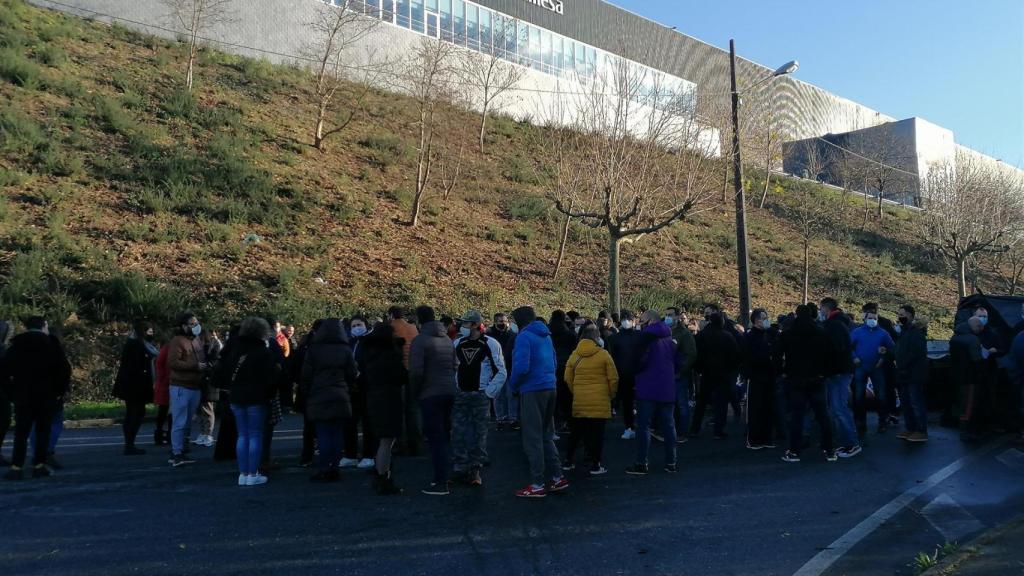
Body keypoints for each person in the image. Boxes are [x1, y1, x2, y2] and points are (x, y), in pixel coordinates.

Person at [509, 306, 568, 498]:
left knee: (532, 437)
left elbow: (521, 366)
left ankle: (537, 483)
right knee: (547, 434)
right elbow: (554, 361)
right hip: (550, 386)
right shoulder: (545, 334)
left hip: (532, 389)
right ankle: (558, 477)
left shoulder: (524, 337)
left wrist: (514, 386)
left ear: (519, 321)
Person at [2, 317, 71, 480]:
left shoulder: (16, 345)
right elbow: (64, 370)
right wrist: (59, 391)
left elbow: (4, 373)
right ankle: (39, 465)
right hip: (46, 395)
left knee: (21, 433)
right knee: (42, 431)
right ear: (44, 326)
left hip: (23, 396)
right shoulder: (51, 345)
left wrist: (11, 393)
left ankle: (16, 466)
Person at [218, 317, 278, 486]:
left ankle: (243, 473)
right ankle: (253, 473)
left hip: (236, 396)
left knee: (242, 434)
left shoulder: (234, 349)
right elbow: (271, 378)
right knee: (256, 435)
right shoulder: (263, 352)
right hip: (256, 397)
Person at [452, 310, 507, 487]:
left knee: (479, 434)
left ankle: (475, 468)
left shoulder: (490, 344)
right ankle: (460, 467)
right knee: (458, 432)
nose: (463, 327)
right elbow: (453, 368)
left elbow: (501, 371)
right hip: (461, 394)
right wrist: (456, 387)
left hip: (480, 395)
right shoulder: (457, 343)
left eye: (466, 324)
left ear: (476, 325)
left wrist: (488, 393)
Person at [301, 318, 357, 483]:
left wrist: (307, 393)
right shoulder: (345, 350)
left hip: (319, 394)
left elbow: (305, 376)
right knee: (337, 434)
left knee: (323, 434)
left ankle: (324, 467)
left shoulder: (314, 350)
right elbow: (352, 374)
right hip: (340, 394)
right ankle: (335, 467)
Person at [408, 305, 457, 496]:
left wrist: (415, 392)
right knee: (445, 435)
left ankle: (440, 481)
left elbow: (416, 372)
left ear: (419, 320)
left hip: (430, 393)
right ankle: (448, 472)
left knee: (435, 439)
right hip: (449, 390)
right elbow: (454, 365)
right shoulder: (446, 339)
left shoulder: (420, 341)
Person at [778, 305, 835, 463]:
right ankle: (829, 449)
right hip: (817, 379)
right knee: (823, 415)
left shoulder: (788, 334)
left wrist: (783, 370)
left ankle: (794, 451)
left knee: (797, 416)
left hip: (796, 379)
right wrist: (824, 373)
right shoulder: (821, 333)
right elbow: (830, 356)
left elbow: (777, 354)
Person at [627, 310, 679, 475]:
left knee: (643, 427)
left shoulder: (644, 340)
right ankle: (671, 462)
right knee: (669, 426)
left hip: (647, 388)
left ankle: (641, 463)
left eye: (641, 320)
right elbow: (678, 362)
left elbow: (638, 362)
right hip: (667, 388)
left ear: (649, 321)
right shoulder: (669, 339)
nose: (639, 323)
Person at [563, 325, 618, 475]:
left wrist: (577, 391)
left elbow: (567, 378)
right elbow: (613, 378)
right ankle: (596, 465)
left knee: (576, 433)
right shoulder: (603, 354)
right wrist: (611, 395)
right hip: (600, 400)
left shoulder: (575, 355)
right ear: (597, 337)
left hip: (580, 400)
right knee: (597, 435)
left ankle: (568, 460)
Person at [362, 323, 408, 495]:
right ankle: (383, 477)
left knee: (382, 439)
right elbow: (402, 376)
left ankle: (380, 472)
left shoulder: (370, 354)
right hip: (390, 399)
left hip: (374, 397)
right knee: (387, 441)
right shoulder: (391, 356)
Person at [167, 312, 210, 467]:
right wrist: (194, 366)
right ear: (183, 326)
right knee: (179, 421)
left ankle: (182, 449)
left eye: (196, 323)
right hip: (181, 386)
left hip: (195, 386)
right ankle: (176, 452)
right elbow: (173, 362)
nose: (196, 326)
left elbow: (202, 358)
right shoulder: (177, 341)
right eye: (192, 323)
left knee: (187, 422)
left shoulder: (196, 340)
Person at [819, 297, 860, 458]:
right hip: (840, 371)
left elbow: (834, 349)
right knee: (837, 408)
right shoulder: (841, 323)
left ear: (826, 309)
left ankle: (851, 442)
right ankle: (846, 441)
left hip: (838, 372)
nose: (820, 312)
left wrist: (827, 367)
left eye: (821, 309)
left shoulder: (833, 326)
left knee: (839, 408)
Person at [691, 312, 741, 440]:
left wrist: (699, 369)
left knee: (701, 403)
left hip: (706, 373)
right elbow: (735, 356)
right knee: (721, 403)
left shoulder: (701, 335)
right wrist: (731, 370)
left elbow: (695, 354)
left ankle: (695, 428)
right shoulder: (727, 336)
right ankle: (718, 430)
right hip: (723, 374)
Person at [112, 321, 158, 456]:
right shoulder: (137, 344)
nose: (151, 333)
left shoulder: (136, 343)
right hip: (135, 386)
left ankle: (129, 443)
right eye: (149, 330)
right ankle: (129, 444)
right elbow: (138, 365)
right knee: (135, 413)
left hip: (133, 386)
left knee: (135, 413)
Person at [850, 310, 896, 435]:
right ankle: (860, 422)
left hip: (877, 368)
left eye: (874, 318)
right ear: (865, 319)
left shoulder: (883, 333)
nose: (872, 320)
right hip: (860, 367)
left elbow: (892, 348)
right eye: (870, 318)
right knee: (859, 396)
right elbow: (848, 346)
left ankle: (882, 421)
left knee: (881, 395)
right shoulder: (857, 332)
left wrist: (884, 356)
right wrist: (854, 357)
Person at [343, 315, 376, 470]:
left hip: (367, 386)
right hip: (352, 387)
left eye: (359, 324)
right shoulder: (349, 342)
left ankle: (369, 454)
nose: (356, 327)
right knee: (350, 422)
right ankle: (350, 454)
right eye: (354, 325)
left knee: (368, 421)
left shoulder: (370, 342)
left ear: (366, 325)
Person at [894, 305, 929, 443]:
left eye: (902, 314)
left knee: (916, 401)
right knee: (906, 402)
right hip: (903, 373)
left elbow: (915, 353)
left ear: (909, 315)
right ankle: (910, 427)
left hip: (914, 373)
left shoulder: (916, 332)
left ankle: (921, 430)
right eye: (899, 314)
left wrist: (902, 363)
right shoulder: (904, 331)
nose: (899, 317)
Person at [389, 306, 420, 456]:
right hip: (413, 369)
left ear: (390, 315)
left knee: (398, 409)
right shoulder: (413, 328)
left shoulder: (391, 328)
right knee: (412, 409)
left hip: (398, 371)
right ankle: (415, 443)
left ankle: (400, 443)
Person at [744, 309, 777, 449]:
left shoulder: (769, 335)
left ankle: (767, 437)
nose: (766, 320)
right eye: (764, 318)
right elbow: (748, 356)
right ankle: (754, 438)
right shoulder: (750, 336)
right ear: (756, 320)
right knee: (755, 408)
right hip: (756, 376)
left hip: (769, 376)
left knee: (768, 407)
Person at [950, 317, 986, 441]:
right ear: (974, 326)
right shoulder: (973, 340)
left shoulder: (955, 337)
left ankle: (963, 428)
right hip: (971, 377)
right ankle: (967, 431)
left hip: (958, 375)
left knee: (962, 402)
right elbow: (978, 361)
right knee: (969, 404)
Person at [607, 311, 642, 439]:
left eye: (629, 319)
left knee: (632, 403)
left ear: (634, 321)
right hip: (627, 374)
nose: (626, 321)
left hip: (632, 374)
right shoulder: (615, 337)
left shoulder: (616, 337)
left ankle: (632, 427)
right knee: (628, 403)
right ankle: (630, 426)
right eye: (624, 319)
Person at [666, 307, 697, 441]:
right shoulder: (665, 332)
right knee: (669, 405)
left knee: (682, 404)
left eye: (671, 315)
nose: (668, 317)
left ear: (678, 317)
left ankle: (683, 432)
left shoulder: (684, 334)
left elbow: (691, 355)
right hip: (666, 375)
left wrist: (681, 371)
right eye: (666, 314)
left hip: (679, 375)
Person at [487, 312, 519, 431]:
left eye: (505, 321)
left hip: (510, 368)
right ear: (495, 322)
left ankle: (512, 419)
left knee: (511, 395)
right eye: (501, 321)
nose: (503, 324)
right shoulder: (490, 336)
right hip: (496, 369)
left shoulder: (512, 335)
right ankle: (500, 419)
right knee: (498, 396)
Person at [549, 310, 577, 433]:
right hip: (567, 366)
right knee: (567, 397)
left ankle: (555, 422)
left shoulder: (548, 333)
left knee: (554, 398)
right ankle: (569, 422)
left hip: (552, 366)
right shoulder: (570, 333)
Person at [153, 339, 172, 447]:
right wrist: (164, 378)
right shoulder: (168, 348)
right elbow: (160, 364)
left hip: (168, 383)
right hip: (166, 384)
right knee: (164, 410)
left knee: (167, 411)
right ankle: (161, 434)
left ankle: (165, 434)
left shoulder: (168, 347)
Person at [0, 320, 12, 466]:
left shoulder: (5, 351)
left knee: (3, 422)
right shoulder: (4, 351)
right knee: (3, 421)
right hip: (2, 393)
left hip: (3, 392)